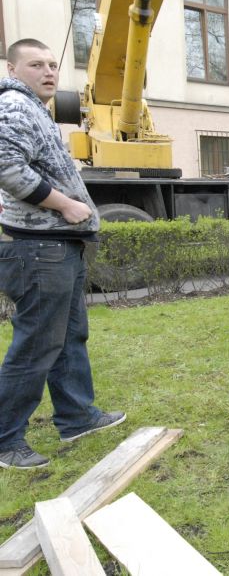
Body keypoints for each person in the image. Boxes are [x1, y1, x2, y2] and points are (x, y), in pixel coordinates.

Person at [0, 39, 125, 470]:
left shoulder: (36, 109)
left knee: (69, 336)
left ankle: (76, 417)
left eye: (53, 64)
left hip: (57, 244)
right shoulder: (15, 107)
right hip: (38, 246)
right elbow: (6, 166)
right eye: (36, 64)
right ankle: (5, 440)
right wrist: (66, 205)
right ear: (13, 70)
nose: (49, 71)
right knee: (37, 343)